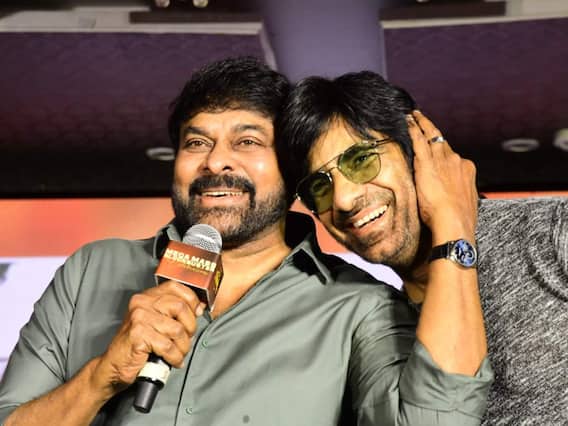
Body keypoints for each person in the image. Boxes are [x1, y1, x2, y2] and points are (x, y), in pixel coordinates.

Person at [0, 57, 492, 426]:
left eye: (248, 141)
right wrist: (102, 376)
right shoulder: (92, 269)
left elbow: (439, 419)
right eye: (196, 142)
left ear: (292, 173)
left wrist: (452, 223)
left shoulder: (360, 307)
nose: (216, 161)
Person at [276, 71, 568, 425]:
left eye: (361, 160)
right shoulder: (378, 333)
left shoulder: (551, 229)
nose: (343, 200)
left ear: (418, 149)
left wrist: (451, 220)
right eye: (319, 188)